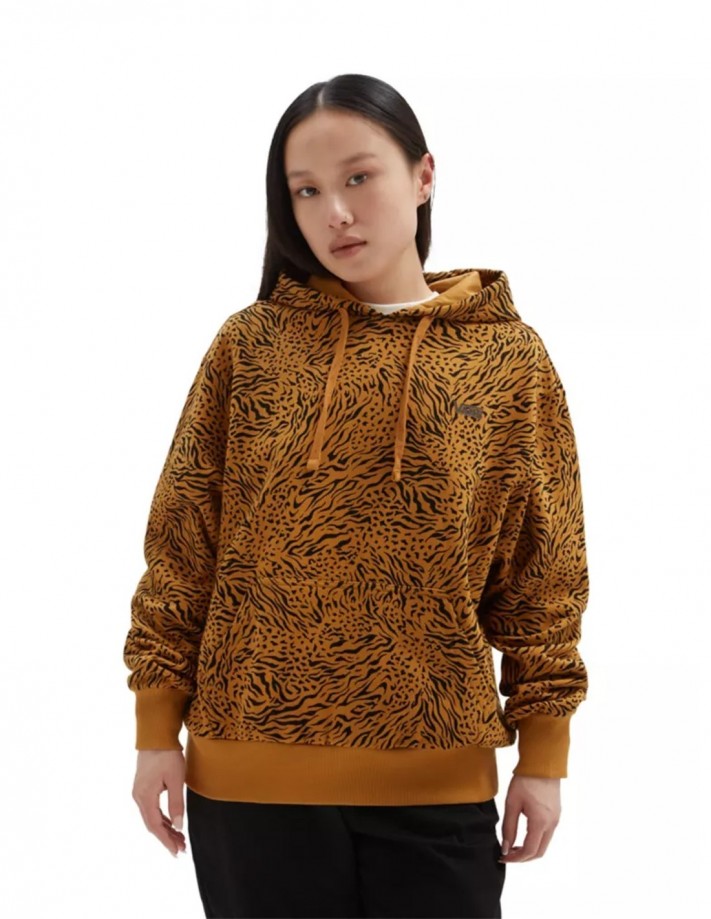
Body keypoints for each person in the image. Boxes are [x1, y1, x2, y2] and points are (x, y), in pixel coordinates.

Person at [123, 72, 589, 919]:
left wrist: (544, 755)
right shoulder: (249, 347)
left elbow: (543, 571)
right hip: (247, 783)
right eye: (305, 191)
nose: (334, 211)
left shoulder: (507, 360)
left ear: (422, 175)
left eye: (358, 177)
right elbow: (183, 546)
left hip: (437, 780)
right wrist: (156, 730)